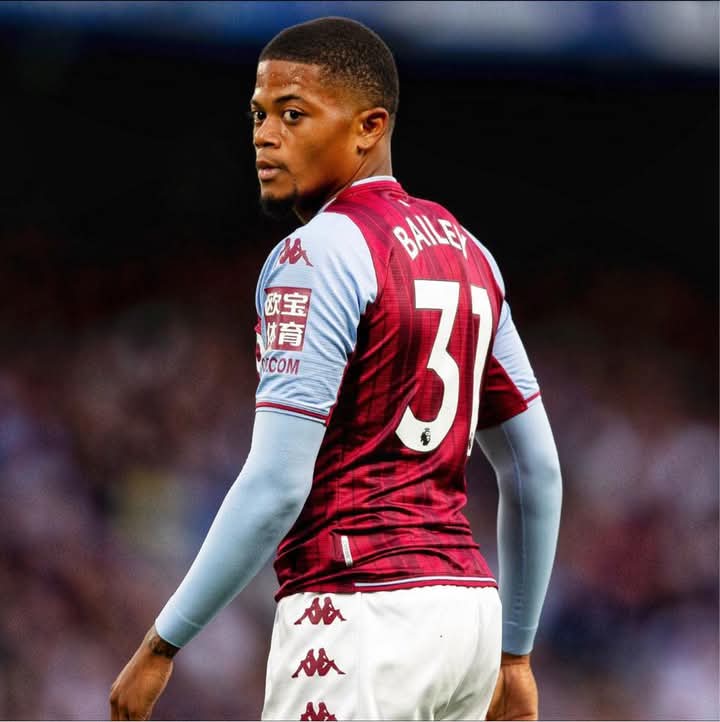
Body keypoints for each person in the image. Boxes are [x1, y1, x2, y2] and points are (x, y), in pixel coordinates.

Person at [110, 16, 562, 721]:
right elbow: (536, 470)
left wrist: (162, 643)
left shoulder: (315, 253)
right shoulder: (472, 254)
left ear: (368, 127)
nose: (266, 136)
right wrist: (516, 653)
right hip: (467, 618)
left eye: (293, 114)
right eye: (259, 115)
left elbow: (276, 485)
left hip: (356, 611)